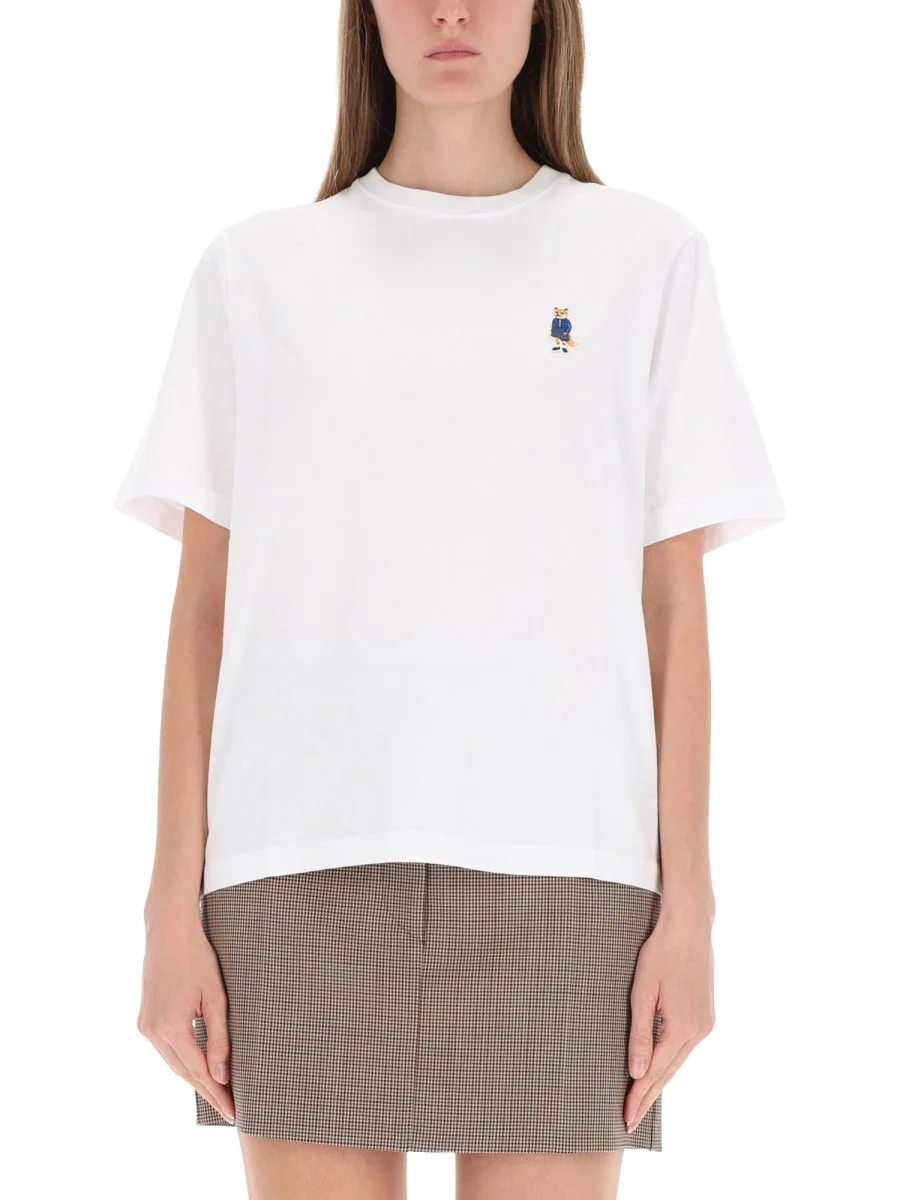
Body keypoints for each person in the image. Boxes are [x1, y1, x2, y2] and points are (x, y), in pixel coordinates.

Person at [114, 2, 786, 1198]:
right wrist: (171, 908)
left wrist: (691, 912)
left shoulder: (646, 259)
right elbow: (203, 606)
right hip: (297, 860)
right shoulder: (255, 271)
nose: (451, 10)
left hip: (570, 864)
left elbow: (673, 609)